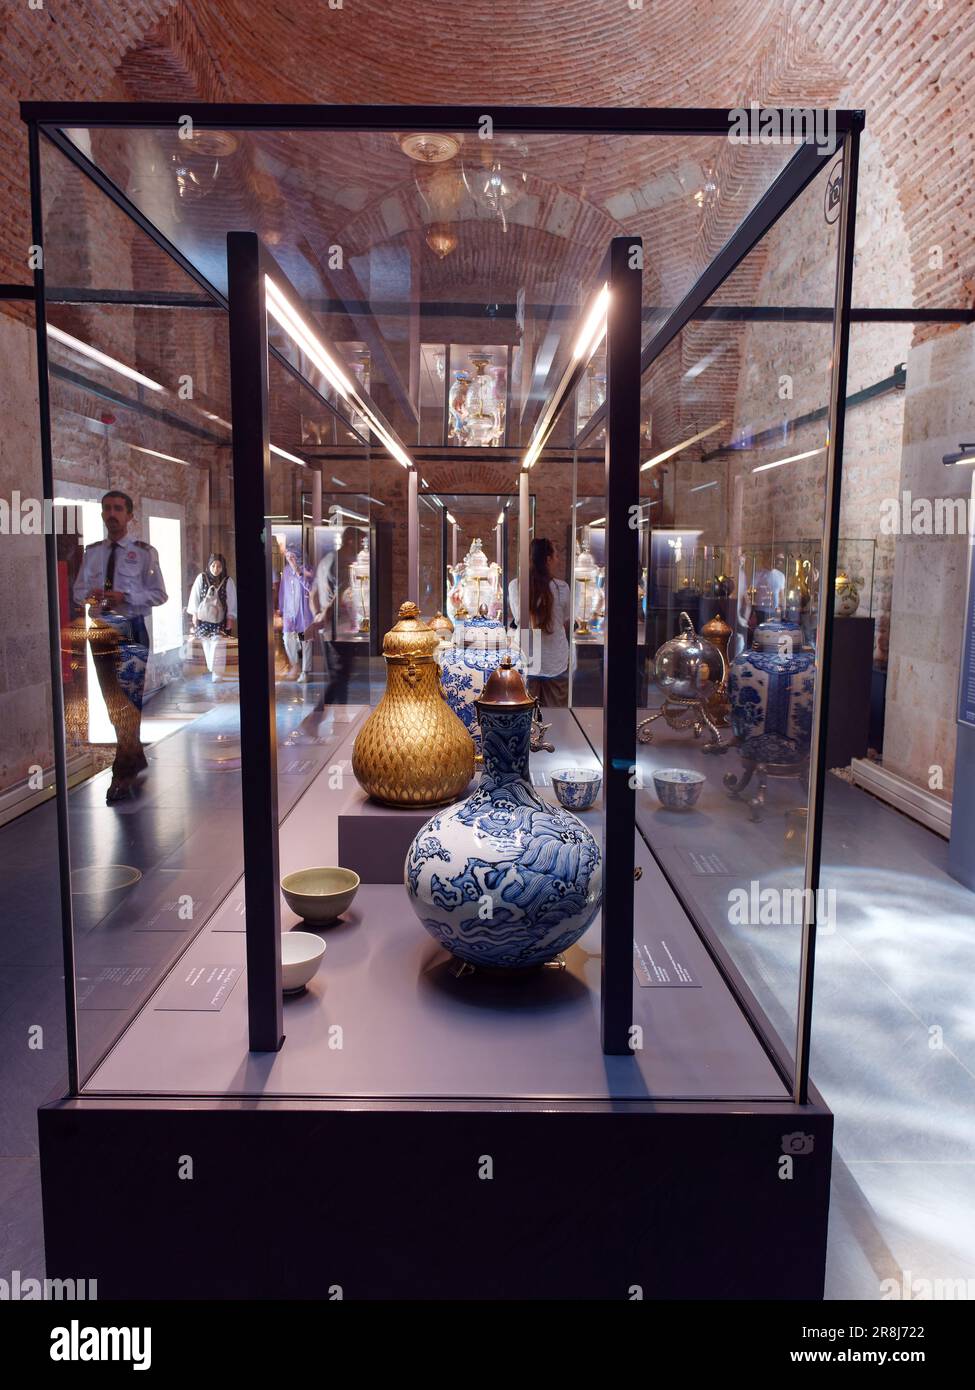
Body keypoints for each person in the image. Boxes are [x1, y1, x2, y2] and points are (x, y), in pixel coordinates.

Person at [73, 489, 168, 804]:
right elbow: (78, 592)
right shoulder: (93, 553)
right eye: (106, 509)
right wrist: (92, 597)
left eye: (117, 509)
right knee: (113, 702)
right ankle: (135, 754)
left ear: (129, 515)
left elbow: (159, 595)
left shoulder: (143, 553)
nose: (111, 514)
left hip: (130, 629)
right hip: (102, 630)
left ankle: (122, 773)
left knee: (128, 702)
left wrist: (126, 597)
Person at [508, 537, 571, 707]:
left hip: (527, 654)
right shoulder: (562, 588)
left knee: (525, 713)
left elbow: (518, 618)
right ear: (548, 559)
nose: (558, 560)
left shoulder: (516, 585)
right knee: (556, 715)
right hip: (554, 658)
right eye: (556, 556)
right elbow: (564, 618)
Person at [309, 527, 359, 709]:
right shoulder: (341, 563)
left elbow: (312, 594)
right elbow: (337, 597)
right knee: (340, 675)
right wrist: (325, 615)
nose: (361, 548)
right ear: (350, 541)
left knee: (339, 675)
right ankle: (317, 717)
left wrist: (318, 615)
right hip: (339, 629)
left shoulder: (326, 561)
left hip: (330, 627)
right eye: (360, 543)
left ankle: (340, 715)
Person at [186, 553, 237, 681]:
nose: (216, 568)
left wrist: (231, 617)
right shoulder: (201, 578)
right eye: (213, 565)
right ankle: (212, 668)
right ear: (209, 566)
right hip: (204, 620)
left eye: (219, 566)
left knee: (218, 644)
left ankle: (217, 673)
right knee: (207, 644)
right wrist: (194, 614)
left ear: (223, 567)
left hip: (220, 620)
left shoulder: (227, 581)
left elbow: (232, 601)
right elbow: (195, 597)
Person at [277, 545, 314, 682]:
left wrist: (298, 571)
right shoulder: (286, 571)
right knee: (287, 639)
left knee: (306, 641)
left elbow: (310, 588)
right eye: (287, 557)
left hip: (304, 613)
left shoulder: (308, 570)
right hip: (289, 612)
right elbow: (282, 591)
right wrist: (281, 609)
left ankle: (306, 671)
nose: (290, 559)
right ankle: (295, 665)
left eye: (292, 556)